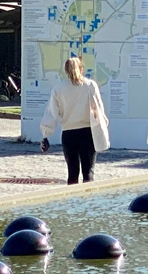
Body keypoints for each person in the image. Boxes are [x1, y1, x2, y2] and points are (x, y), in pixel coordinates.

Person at [41, 55, 110, 184]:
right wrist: (104, 125)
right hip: (88, 132)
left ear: (66, 71)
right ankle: (88, 201)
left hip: (69, 133)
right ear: (81, 69)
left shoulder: (58, 88)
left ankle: (72, 202)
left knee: (72, 173)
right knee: (88, 173)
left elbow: (52, 113)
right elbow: (99, 109)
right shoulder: (90, 85)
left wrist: (46, 134)